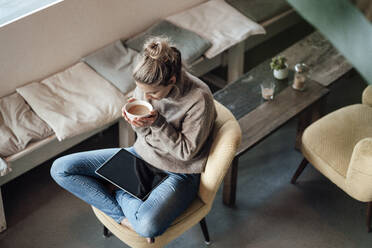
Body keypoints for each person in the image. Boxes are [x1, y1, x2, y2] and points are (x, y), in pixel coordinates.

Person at [50, 36, 217, 241]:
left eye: (153, 93)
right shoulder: (147, 86)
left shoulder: (199, 98)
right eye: (143, 91)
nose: (147, 97)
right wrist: (137, 123)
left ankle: (120, 191)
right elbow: (146, 136)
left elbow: (185, 153)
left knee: (147, 226)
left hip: (179, 172)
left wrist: (158, 123)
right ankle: (123, 215)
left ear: (172, 81)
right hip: (140, 157)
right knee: (61, 169)